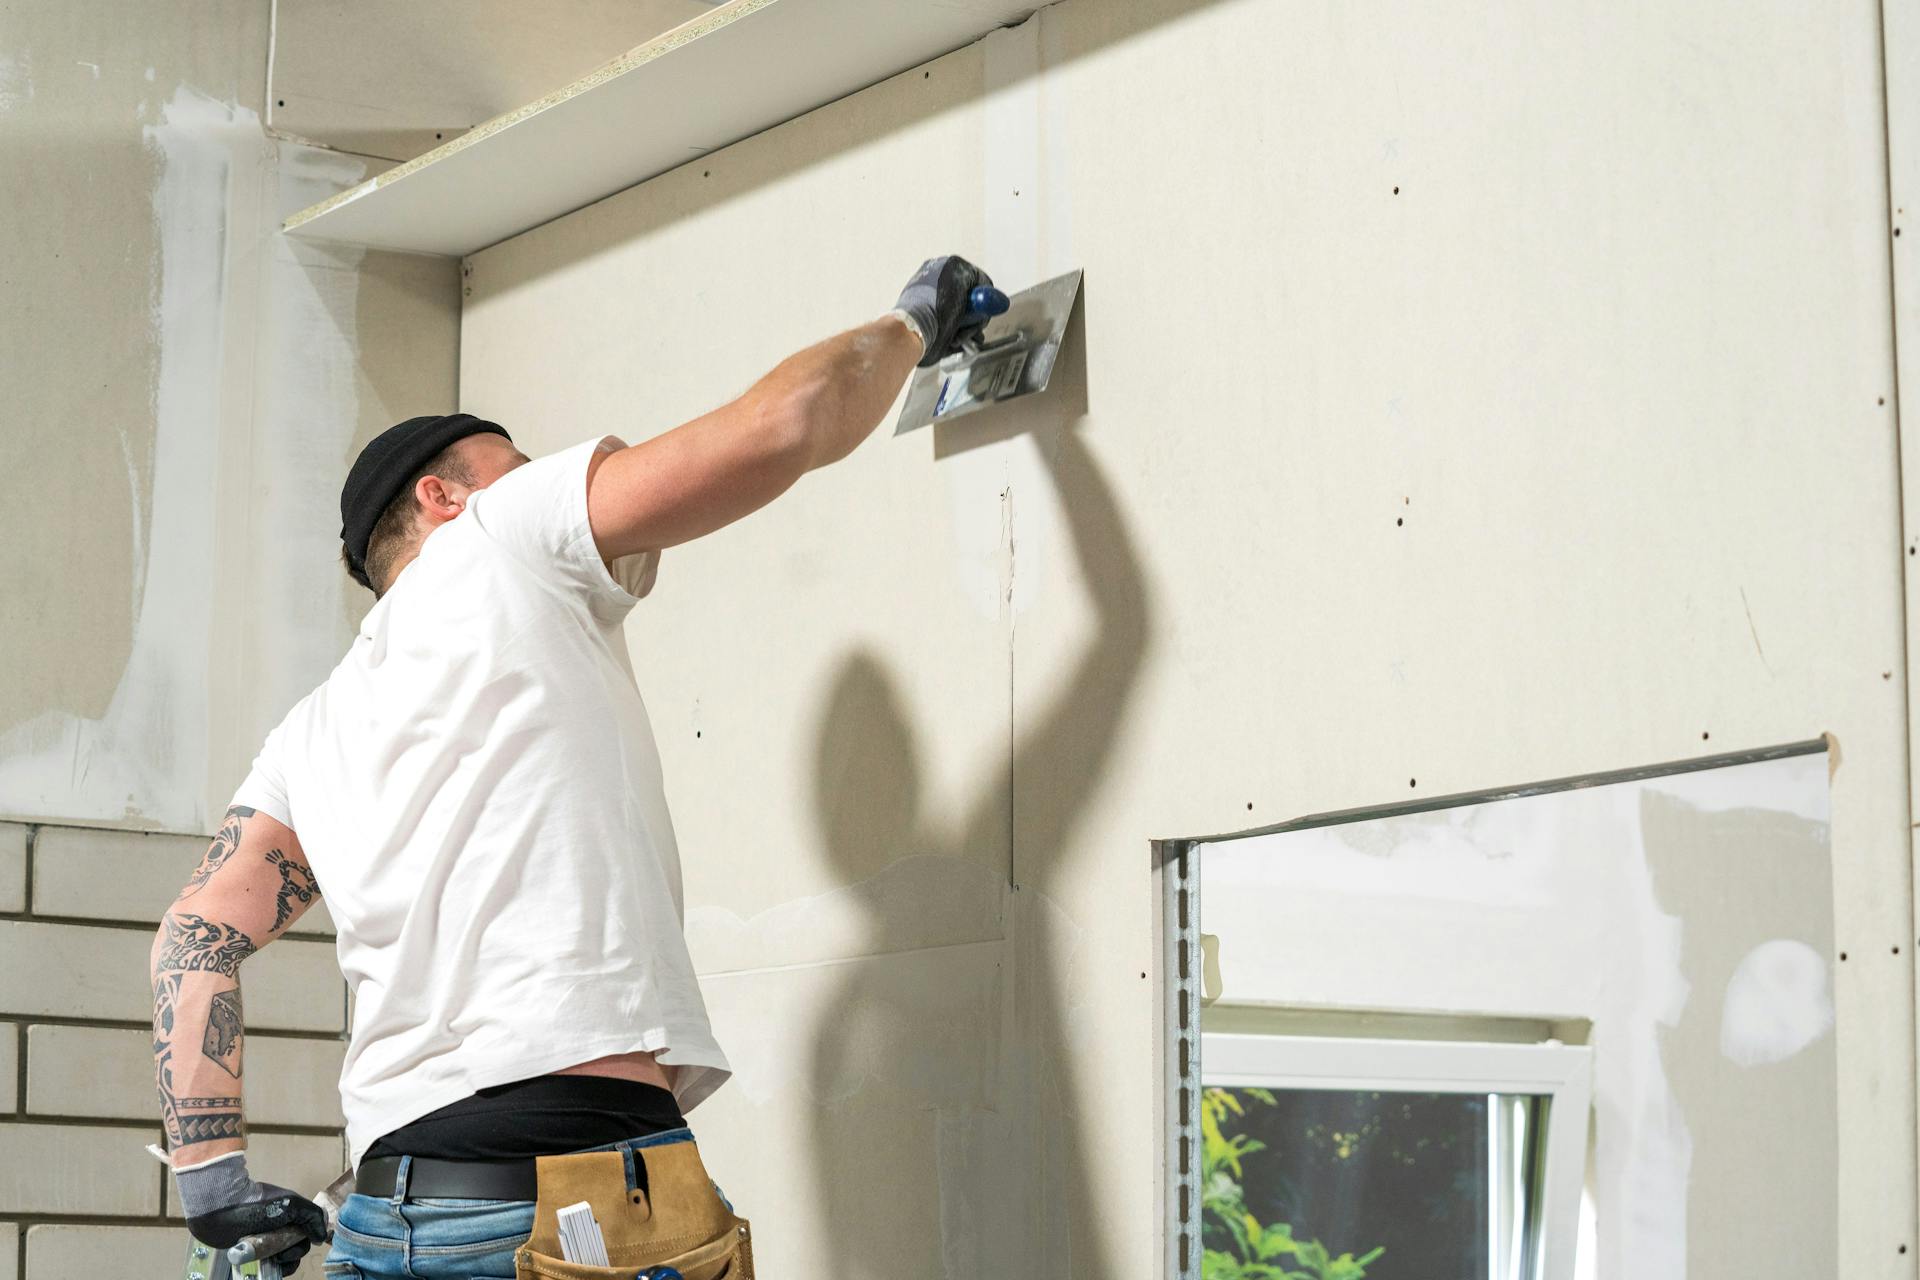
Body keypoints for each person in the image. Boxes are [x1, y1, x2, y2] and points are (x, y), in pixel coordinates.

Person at [148, 255, 999, 1277]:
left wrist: (217, 1187)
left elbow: (192, 942)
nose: (565, 475)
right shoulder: (500, 535)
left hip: (387, 1217)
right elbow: (790, 418)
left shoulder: (311, 730)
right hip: (576, 1199)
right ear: (443, 496)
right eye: (525, 460)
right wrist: (915, 322)